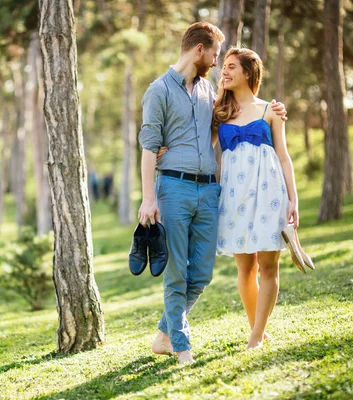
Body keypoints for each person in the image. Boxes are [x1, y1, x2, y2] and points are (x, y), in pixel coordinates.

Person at [138, 22, 287, 364]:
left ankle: (163, 333)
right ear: (199, 51)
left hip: (208, 192)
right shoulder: (158, 90)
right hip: (173, 189)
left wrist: (274, 111)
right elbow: (148, 148)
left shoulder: (210, 95)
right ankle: (181, 344)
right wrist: (149, 198)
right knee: (177, 271)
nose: (218, 64)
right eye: (216, 55)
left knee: (201, 273)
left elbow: (241, 119)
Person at [212, 47, 298, 349]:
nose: (224, 71)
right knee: (245, 269)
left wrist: (293, 200)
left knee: (268, 266)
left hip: (268, 193)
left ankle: (255, 336)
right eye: (223, 65)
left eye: (231, 66)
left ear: (248, 73)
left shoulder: (271, 110)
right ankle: (257, 330)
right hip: (235, 196)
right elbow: (196, 142)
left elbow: (284, 157)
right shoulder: (218, 112)